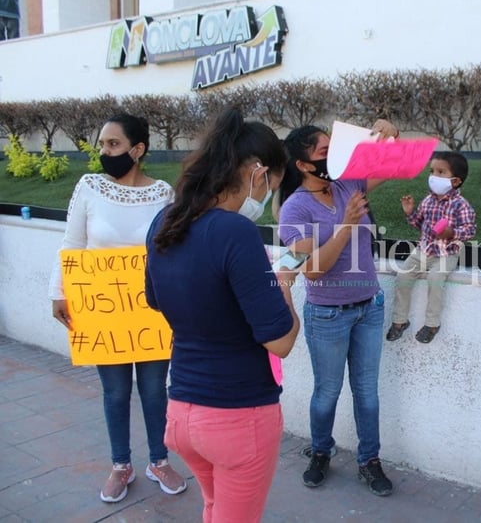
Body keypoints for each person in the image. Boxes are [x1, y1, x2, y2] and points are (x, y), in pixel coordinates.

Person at [144, 106, 300, 522]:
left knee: (215, 509)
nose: (267, 197)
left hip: (181, 414)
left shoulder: (165, 219)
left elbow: (156, 299)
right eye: (272, 185)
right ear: (256, 171)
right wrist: (282, 283)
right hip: (238, 417)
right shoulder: (235, 231)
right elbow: (281, 340)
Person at [48, 114, 187, 503]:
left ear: (138, 149)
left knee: (155, 390)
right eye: (103, 144)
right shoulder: (90, 187)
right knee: (115, 393)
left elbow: (174, 247)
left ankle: (158, 460)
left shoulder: (162, 193)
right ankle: (120, 464)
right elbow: (71, 243)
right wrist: (59, 292)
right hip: (102, 313)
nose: (105, 152)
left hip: (152, 312)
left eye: (113, 144)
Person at [276, 119, 398, 497]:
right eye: (324, 152)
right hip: (327, 313)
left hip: (369, 307)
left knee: (367, 392)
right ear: (302, 165)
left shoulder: (349, 183)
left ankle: (369, 460)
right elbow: (312, 271)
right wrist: (346, 225)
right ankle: (321, 451)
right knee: (327, 393)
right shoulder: (294, 211)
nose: (333, 157)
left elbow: (390, 160)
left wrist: (387, 130)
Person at [386, 151, 476, 343]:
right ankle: (400, 320)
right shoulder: (428, 201)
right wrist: (410, 212)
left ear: (456, 181)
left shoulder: (461, 205)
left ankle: (432, 323)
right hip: (423, 250)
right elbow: (422, 224)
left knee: (435, 279)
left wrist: (451, 233)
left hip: (446, 253)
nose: (434, 176)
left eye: (441, 172)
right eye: (432, 171)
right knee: (403, 276)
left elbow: (470, 230)